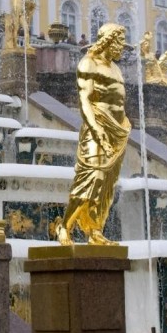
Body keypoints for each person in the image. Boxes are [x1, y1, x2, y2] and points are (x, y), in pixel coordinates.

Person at [55, 23, 132, 245]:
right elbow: (85, 102)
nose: (121, 48)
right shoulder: (88, 63)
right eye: (118, 43)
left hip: (118, 131)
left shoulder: (116, 68)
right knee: (92, 178)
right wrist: (98, 132)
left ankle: (95, 230)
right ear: (107, 41)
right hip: (96, 127)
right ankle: (65, 226)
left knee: (108, 184)